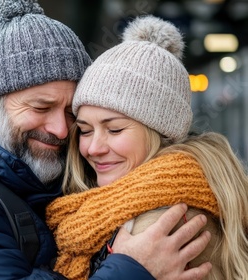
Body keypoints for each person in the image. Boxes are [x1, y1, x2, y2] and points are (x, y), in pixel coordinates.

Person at [0, 1, 213, 279]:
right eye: (40, 107)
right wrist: (132, 270)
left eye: (70, 112)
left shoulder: (59, 178)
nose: (61, 130)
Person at [46, 16, 248, 280]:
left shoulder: (160, 226)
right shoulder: (118, 205)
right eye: (85, 130)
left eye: (115, 129)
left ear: (162, 132)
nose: (93, 148)